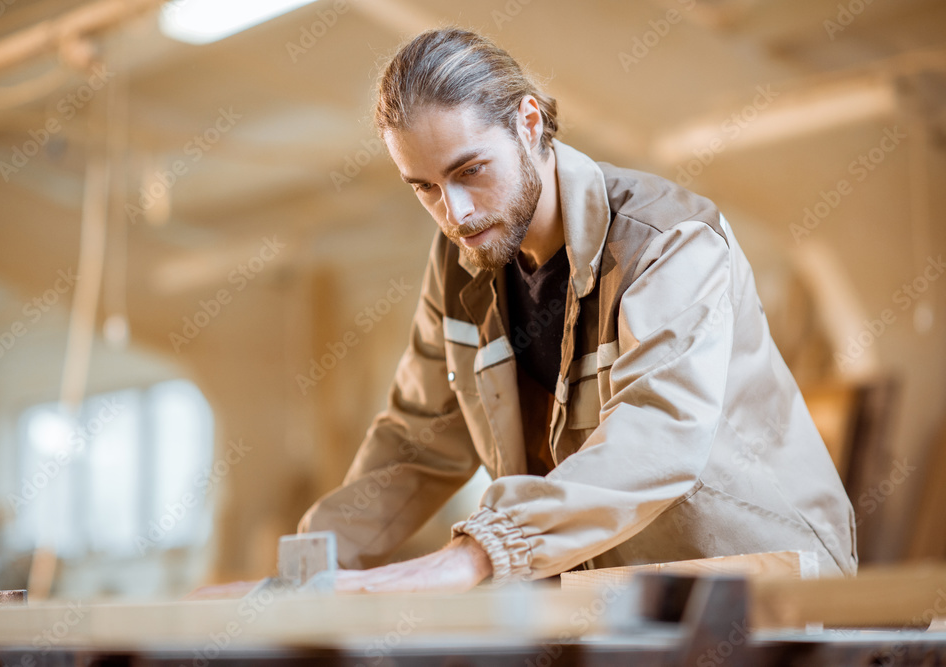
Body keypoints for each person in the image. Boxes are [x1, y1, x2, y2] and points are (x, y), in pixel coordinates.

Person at [193, 27, 857, 599]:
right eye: (424, 188)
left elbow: (659, 429)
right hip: (624, 596)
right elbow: (417, 440)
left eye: (470, 169)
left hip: (772, 580)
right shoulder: (461, 263)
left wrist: (481, 550)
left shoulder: (668, 240)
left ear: (529, 124)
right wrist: (302, 574)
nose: (455, 212)